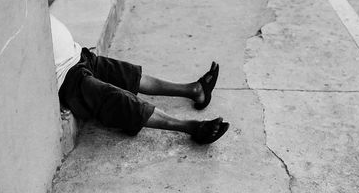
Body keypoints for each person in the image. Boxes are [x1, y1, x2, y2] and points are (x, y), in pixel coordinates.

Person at [50, 15, 229, 144]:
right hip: (68, 78)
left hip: (80, 57)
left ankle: (194, 90)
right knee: (119, 100)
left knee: (129, 75)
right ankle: (192, 128)